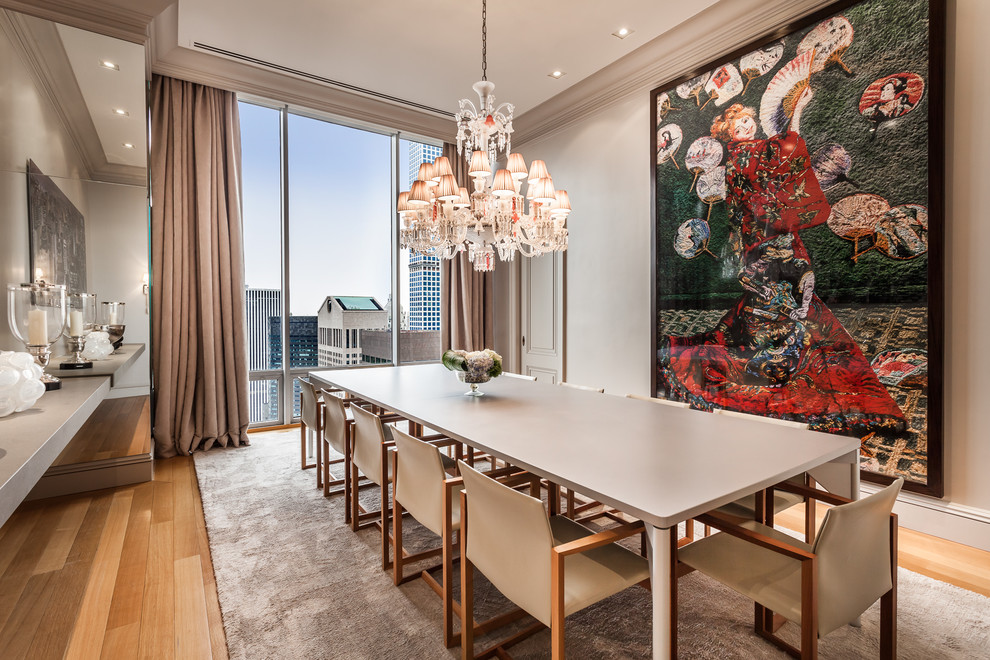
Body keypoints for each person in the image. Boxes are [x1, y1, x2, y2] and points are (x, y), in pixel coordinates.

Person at [658, 102, 906, 436]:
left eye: (748, 120)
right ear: (728, 131)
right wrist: (799, 109)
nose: (746, 125)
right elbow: (785, 150)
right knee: (780, 304)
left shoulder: (744, 159)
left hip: (768, 237)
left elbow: (779, 168)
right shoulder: (743, 156)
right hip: (765, 240)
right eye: (738, 123)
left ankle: (790, 361)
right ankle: (781, 369)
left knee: (787, 302)